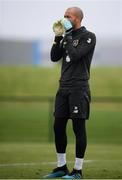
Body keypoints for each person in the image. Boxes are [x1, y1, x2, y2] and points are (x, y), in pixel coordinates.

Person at [44, 6, 96, 179]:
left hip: (78, 88)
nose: (64, 18)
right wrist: (57, 37)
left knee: (78, 128)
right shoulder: (67, 37)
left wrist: (67, 36)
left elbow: (74, 55)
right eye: (64, 15)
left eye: (68, 16)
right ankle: (61, 167)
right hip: (63, 87)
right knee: (58, 127)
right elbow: (54, 57)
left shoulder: (88, 37)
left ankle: (78, 171)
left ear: (77, 19)